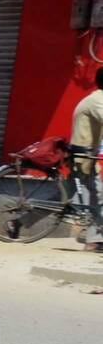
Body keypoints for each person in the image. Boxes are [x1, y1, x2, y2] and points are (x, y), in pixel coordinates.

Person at [73, 67, 103, 247]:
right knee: (98, 194)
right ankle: (93, 241)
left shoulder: (96, 98)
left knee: (71, 199)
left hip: (86, 155)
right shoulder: (97, 100)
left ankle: (19, 222)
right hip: (84, 156)